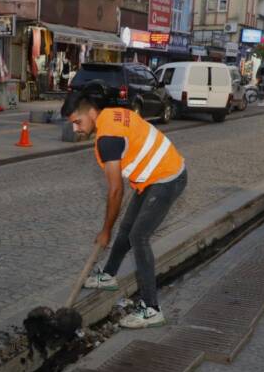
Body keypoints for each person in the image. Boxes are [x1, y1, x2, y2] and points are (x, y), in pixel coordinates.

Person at [63, 89, 188, 329]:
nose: (76, 129)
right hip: (151, 179)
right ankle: (108, 275)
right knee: (128, 228)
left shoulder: (107, 138)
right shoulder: (111, 115)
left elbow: (115, 191)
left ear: (91, 113)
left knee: (138, 236)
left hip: (168, 178)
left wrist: (104, 231)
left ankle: (151, 309)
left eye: (78, 122)